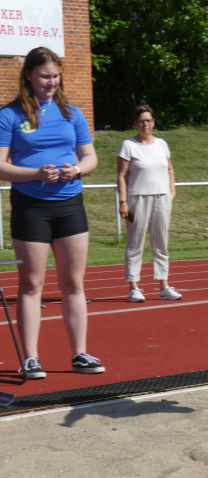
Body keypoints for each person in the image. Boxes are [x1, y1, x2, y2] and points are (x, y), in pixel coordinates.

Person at [0, 46, 105, 379]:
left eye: (56, 76)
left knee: (73, 283)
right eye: (45, 76)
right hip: (30, 206)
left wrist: (77, 169)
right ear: (29, 76)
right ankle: (31, 358)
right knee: (32, 284)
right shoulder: (9, 115)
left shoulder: (71, 113)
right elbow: (0, 166)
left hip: (69, 204)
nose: (51, 82)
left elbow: (90, 157)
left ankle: (80, 353)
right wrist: (35, 174)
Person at [117, 105, 182, 303]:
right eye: (141, 121)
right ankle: (134, 287)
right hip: (138, 198)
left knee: (161, 243)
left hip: (162, 198)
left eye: (149, 120)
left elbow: (169, 168)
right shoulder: (128, 145)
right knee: (135, 244)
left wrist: (171, 190)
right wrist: (123, 201)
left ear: (153, 122)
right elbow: (121, 175)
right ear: (135, 124)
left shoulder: (162, 144)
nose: (145, 124)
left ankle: (164, 286)